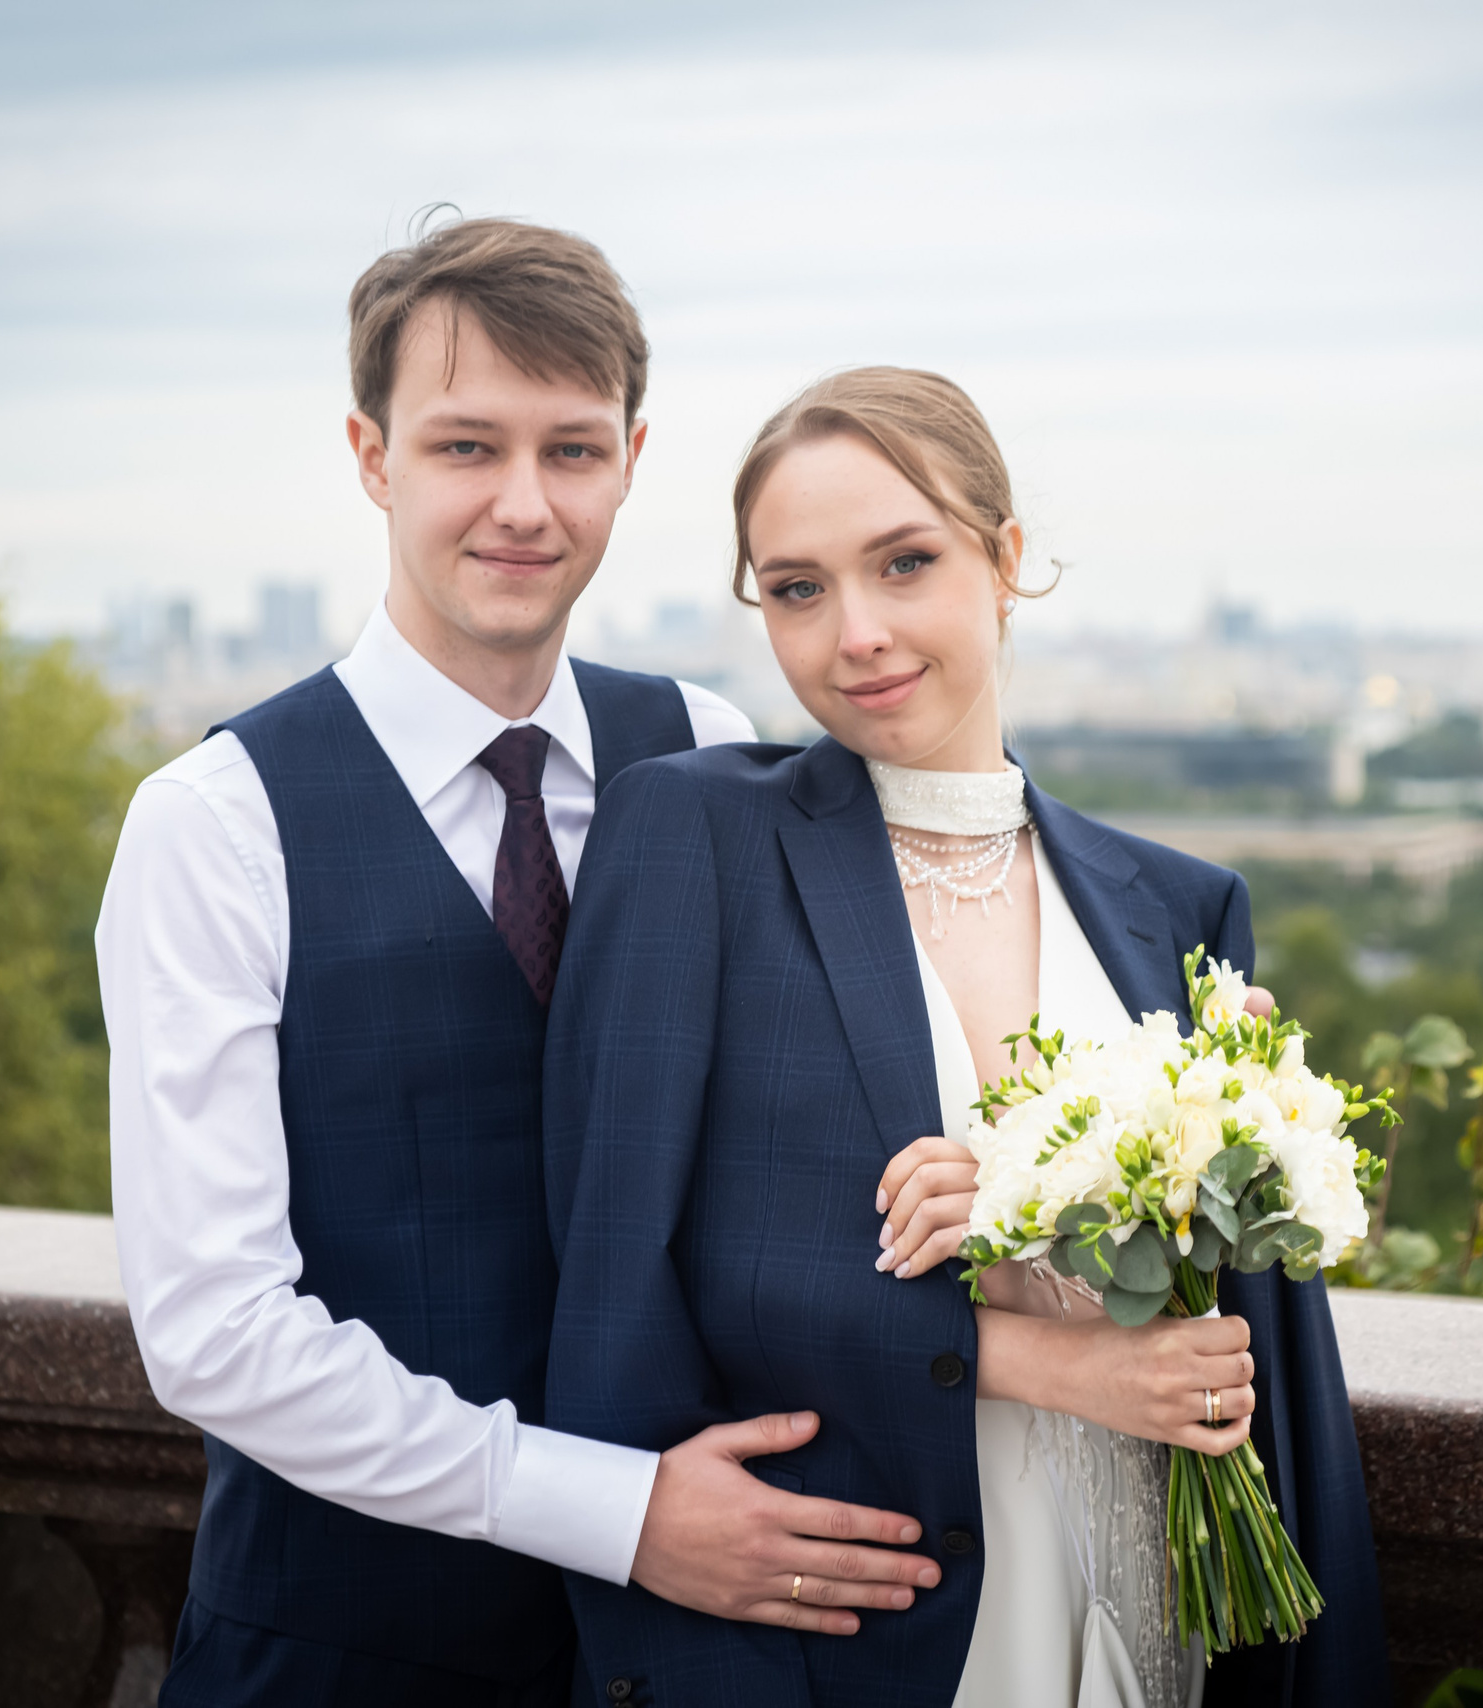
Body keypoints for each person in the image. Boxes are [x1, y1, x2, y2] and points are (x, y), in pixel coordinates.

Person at [97, 222, 942, 1708]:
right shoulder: (214, 826)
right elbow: (217, 1334)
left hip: (684, 1667)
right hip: (335, 1658)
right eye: (465, 446)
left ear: (631, 457)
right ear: (372, 456)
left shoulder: (696, 742)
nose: (523, 505)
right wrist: (616, 1515)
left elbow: (845, 1097)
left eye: (572, 450)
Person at [542, 367, 1387, 1707]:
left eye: (905, 562)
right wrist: (1062, 1356)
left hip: (1144, 1596)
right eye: (799, 589)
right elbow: (650, 1276)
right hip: (843, 1639)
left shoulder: (1177, 907)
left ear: (1003, 563)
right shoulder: (694, 836)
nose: (858, 632)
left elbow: (1255, 1333)